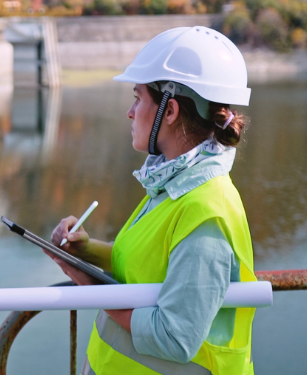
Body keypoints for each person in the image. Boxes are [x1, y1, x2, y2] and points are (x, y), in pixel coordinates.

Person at [47, 26, 256, 374]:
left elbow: (175, 338)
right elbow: (146, 263)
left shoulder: (207, 212)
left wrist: (89, 285)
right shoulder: (174, 183)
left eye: (138, 98)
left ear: (169, 111)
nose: (130, 112)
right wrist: (85, 250)